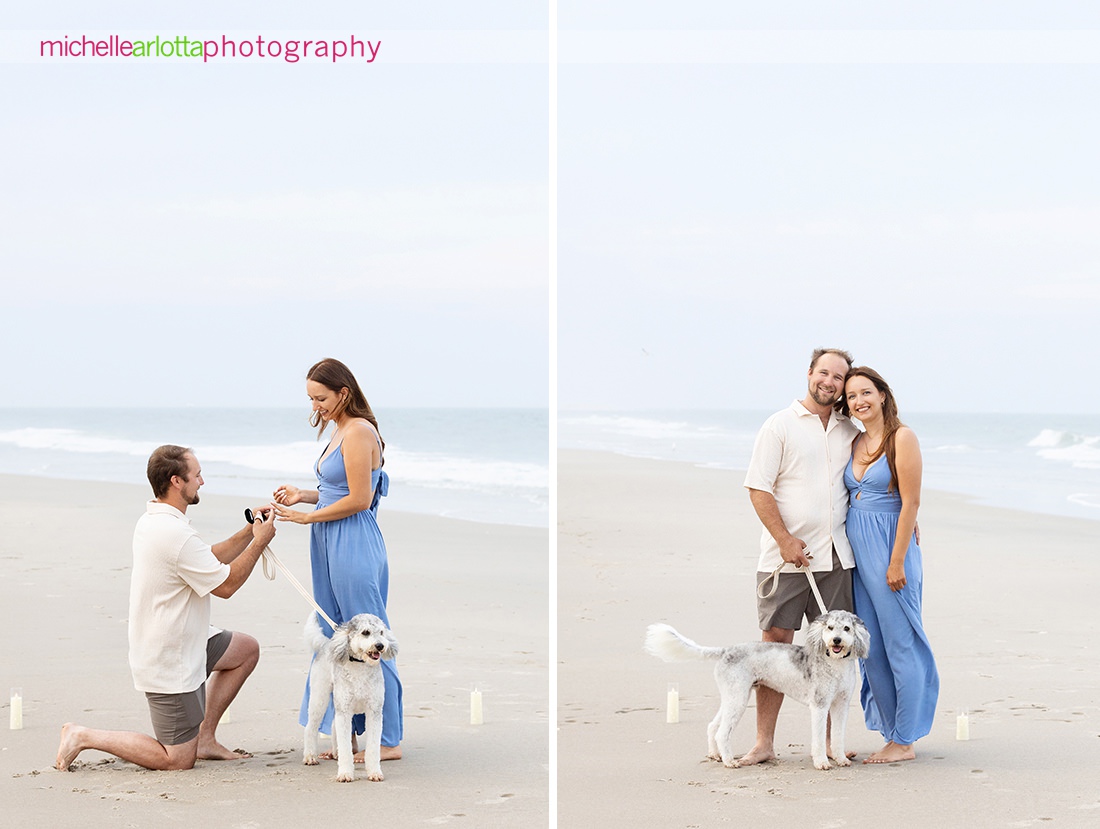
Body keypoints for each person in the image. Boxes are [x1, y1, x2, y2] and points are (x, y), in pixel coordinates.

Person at [56, 445, 276, 771]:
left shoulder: (155, 519)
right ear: (176, 481)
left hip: (189, 640)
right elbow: (227, 586)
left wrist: (248, 531)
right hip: (169, 660)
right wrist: (260, 541)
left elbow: (206, 558)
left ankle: (205, 739)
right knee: (177, 760)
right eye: (197, 475)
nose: (202, 481)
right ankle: (82, 735)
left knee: (245, 650)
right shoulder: (174, 534)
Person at [272, 358, 403, 762]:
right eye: (311, 399)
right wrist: (304, 496)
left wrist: (307, 517)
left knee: (372, 635)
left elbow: (360, 499)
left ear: (343, 393)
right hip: (328, 539)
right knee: (334, 635)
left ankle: (389, 740)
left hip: (353, 542)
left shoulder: (359, 431)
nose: (315, 407)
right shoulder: (340, 430)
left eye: (321, 398)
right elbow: (338, 489)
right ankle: (347, 732)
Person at [741, 347, 860, 766]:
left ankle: (829, 744)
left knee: (835, 653)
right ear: (809, 374)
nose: (829, 382)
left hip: (837, 560)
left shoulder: (850, 430)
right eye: (823, 373)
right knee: (774, 651)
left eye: (838, 377)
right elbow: (758, 487)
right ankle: (763, 743)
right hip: (785, 560)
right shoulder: (780, 425)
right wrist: (784, 539)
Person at [841, 366, 939, 764]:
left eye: (866, 392)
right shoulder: (854, 440)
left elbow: (911, 501)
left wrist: (896, 561)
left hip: (890, 553)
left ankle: (906, 739)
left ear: (882, 394)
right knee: (872, 649)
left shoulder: (903, 438)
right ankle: (890, 732)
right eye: (851, 396)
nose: (859, 401)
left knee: (902, 644)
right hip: (858, 559)